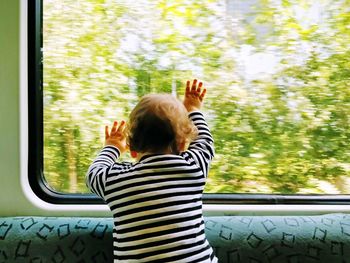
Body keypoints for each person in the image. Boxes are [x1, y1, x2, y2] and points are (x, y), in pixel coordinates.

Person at [86, 79, 218, 262]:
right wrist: (193, 109)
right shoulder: (192, 168)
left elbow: (93, 174)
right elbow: (204, 142)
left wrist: (113, 147)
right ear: (182, 144)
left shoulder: (116, 180)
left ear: (132, 148)